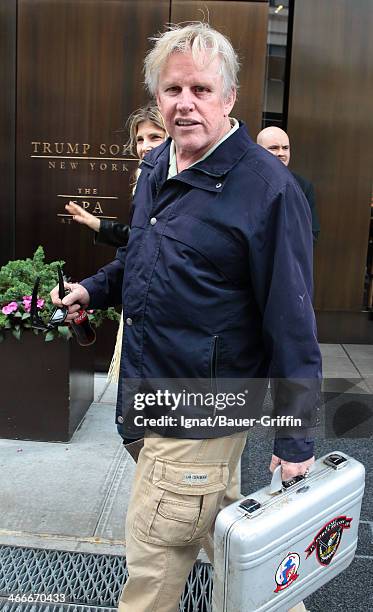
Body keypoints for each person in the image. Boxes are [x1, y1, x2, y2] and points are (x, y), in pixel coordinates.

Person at [51, 23, 321, 612]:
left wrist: (295, 437)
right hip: (150, 390)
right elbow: (142, 256)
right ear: (158, 98)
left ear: (230, 98)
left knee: (150, 566)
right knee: (220, 535)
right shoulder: (157, 167)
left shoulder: (267, 191)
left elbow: (292, 324)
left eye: (201, 88)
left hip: (199, 404)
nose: (185, 103)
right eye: (173, 90)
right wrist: (93, 292)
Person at [65, 104, 167, 247]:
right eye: (140, 140)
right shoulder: (144, 181)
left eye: (155, 137)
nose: (144, 147)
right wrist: (98, 224)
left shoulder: (183, 185)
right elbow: (139, 240)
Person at [256, 126, 320, 242]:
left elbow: (312, 232)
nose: (281, 153)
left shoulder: (303, 186)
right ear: (258, 151)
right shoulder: (247, 180)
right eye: (274, 148)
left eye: (285, 148)